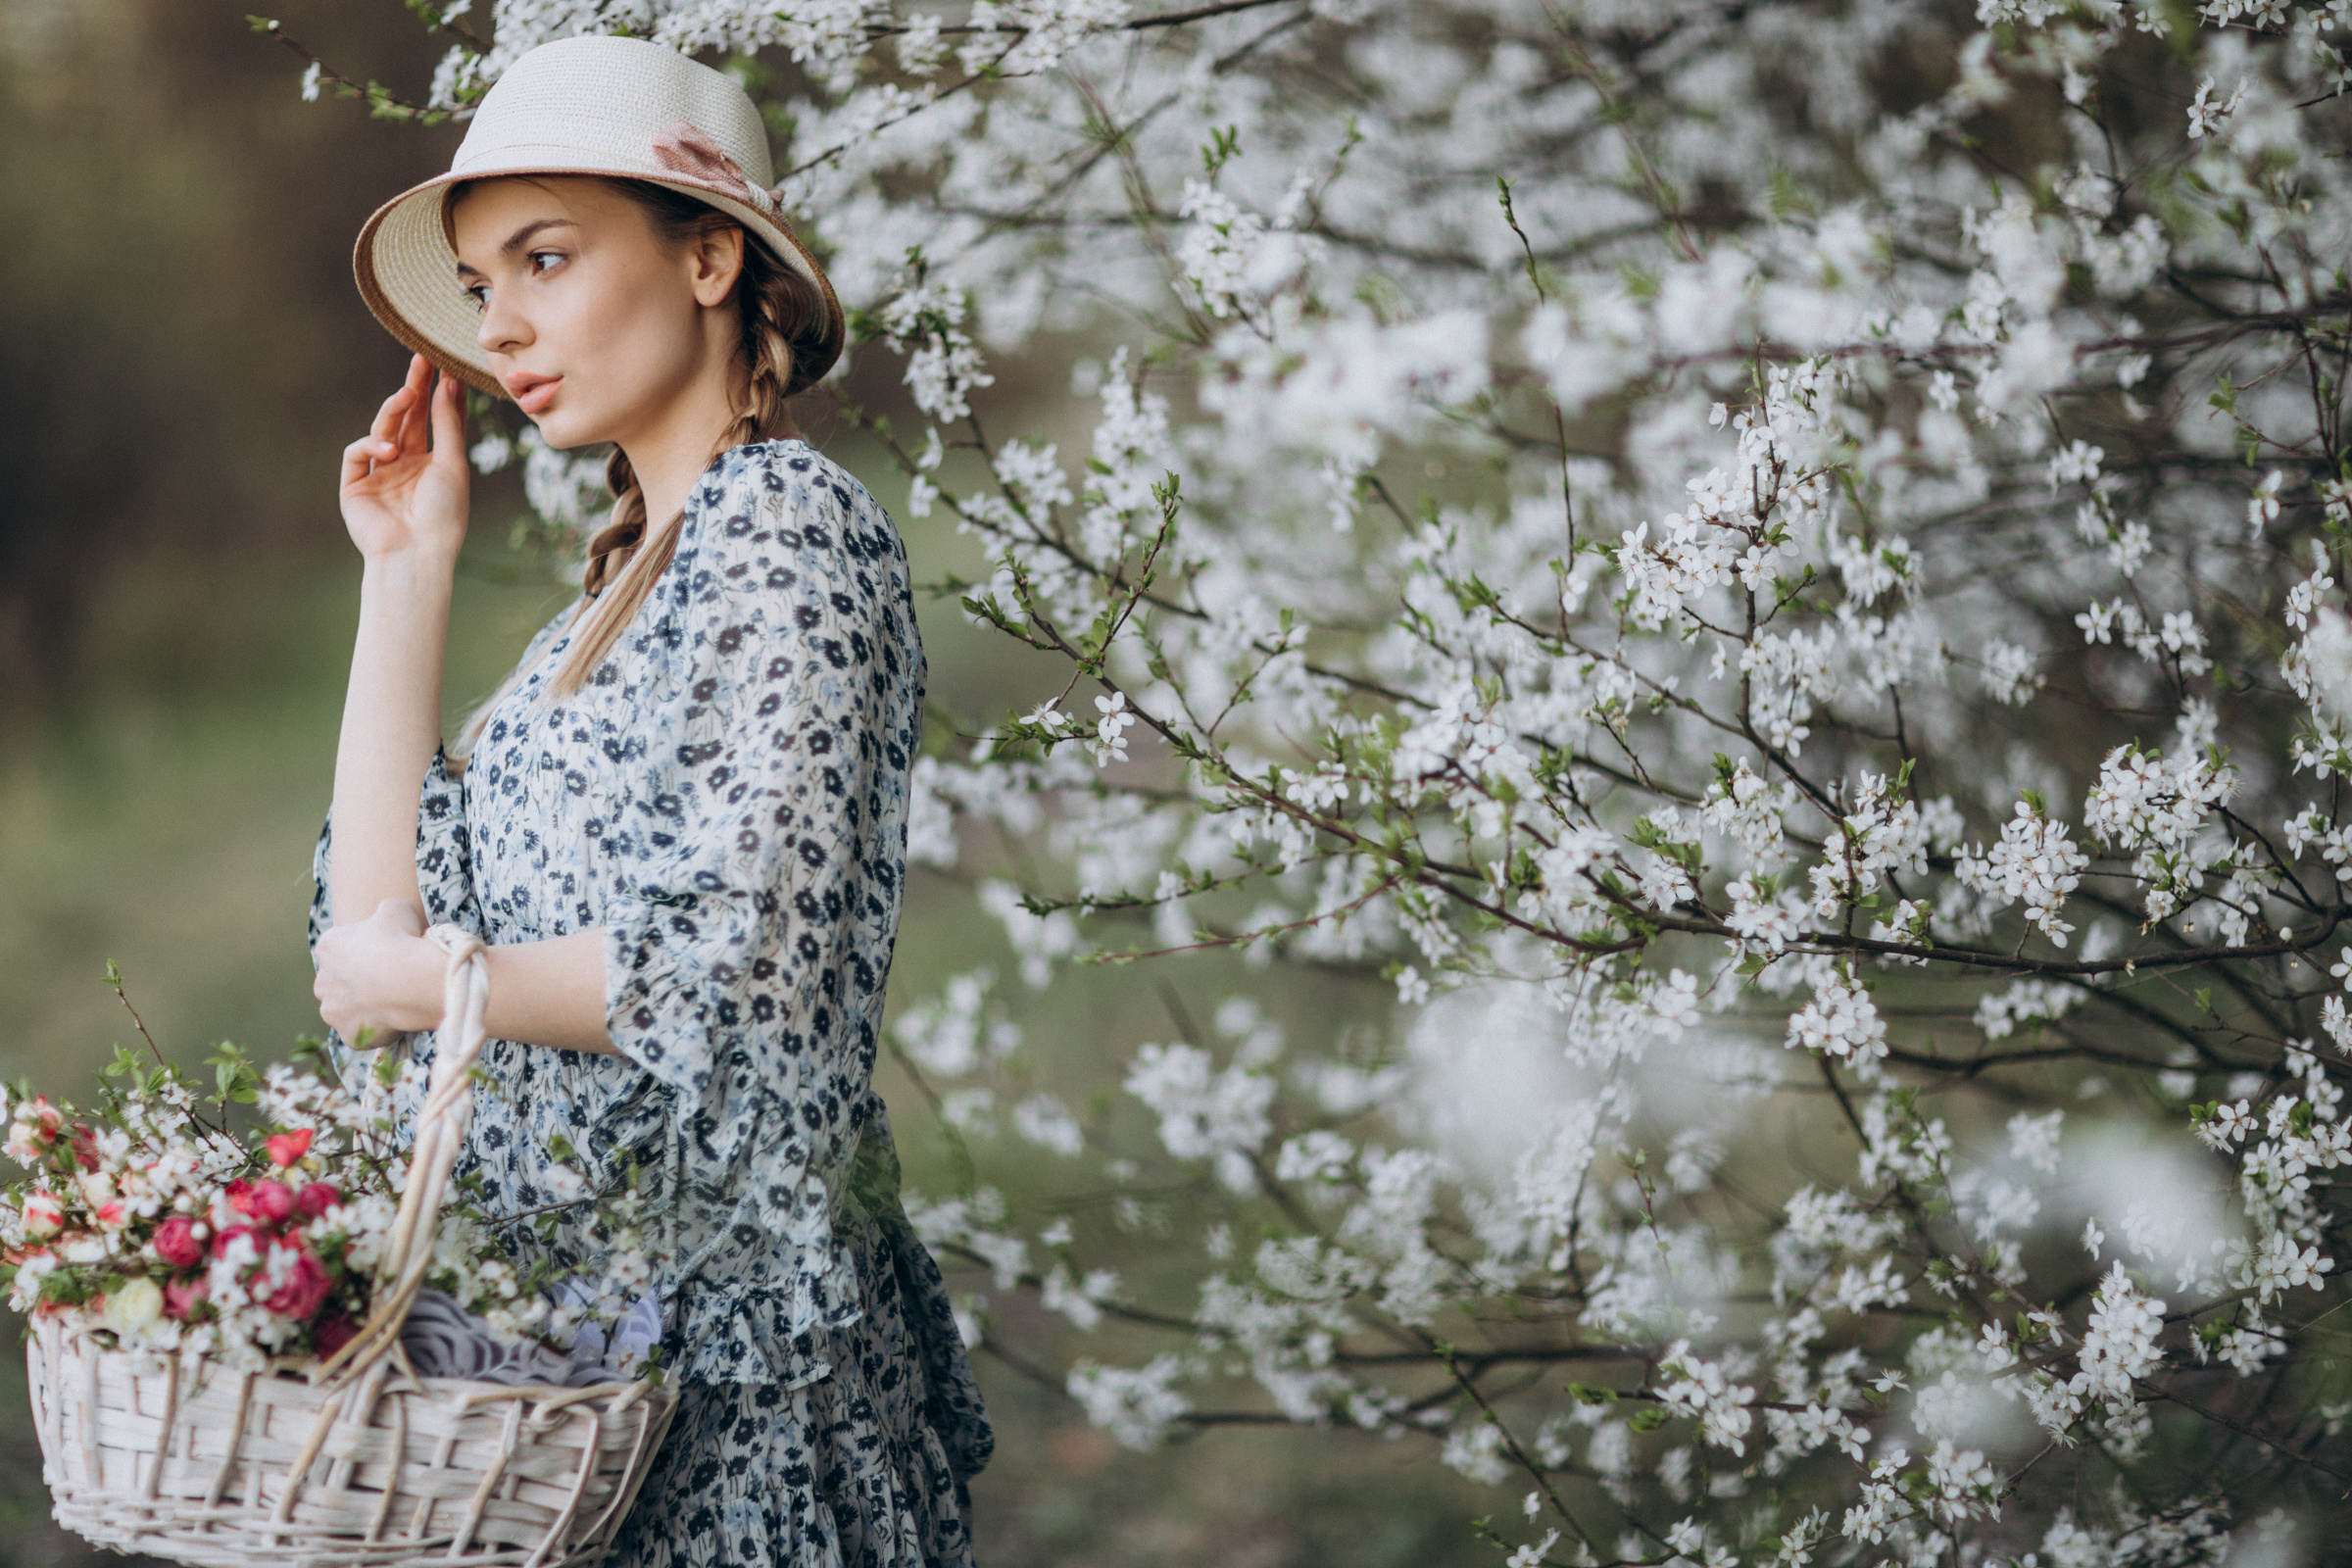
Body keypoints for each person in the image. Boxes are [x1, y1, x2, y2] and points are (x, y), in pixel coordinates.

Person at [301, 34, 991, 1567]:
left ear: (708, 258)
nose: (506, 323)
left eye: (545, 257)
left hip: (731, 1381)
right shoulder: (605, 604)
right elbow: (365, 944)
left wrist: (436, 983)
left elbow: (738, 977)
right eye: (483, 286)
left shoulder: (784, 526)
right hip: (561, 1385)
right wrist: (403, 579)